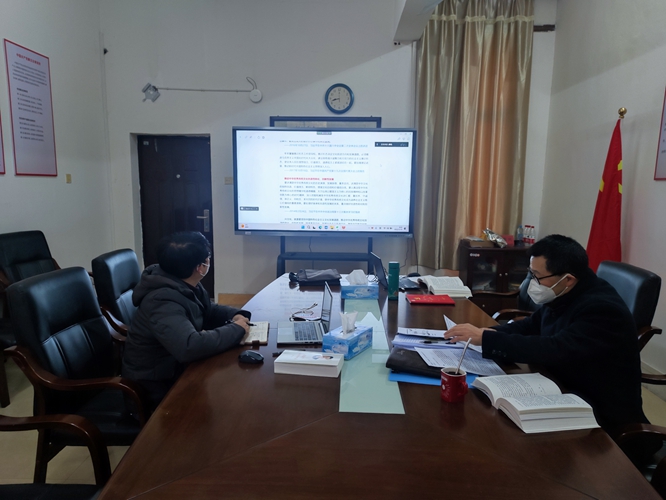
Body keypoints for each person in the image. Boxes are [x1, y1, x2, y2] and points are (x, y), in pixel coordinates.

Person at [445, 234, 647, 431]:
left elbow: (554, 349)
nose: (531, 282)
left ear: (568, 279)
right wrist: (485, 333)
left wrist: (488, 339)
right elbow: (531, 325)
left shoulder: (602, 310)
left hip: (601, 418)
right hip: (562, 387)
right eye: (530, 274)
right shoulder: (568, 292)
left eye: (537, 276)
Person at [122, 231, 251, 411]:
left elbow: (207, 310)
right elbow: (189, 346)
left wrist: (236, 314)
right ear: (201, 267)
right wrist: (236, 329)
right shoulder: (161, 301)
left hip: (177, 370)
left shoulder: (181, 280)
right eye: (208, 258)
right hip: (156, 389)